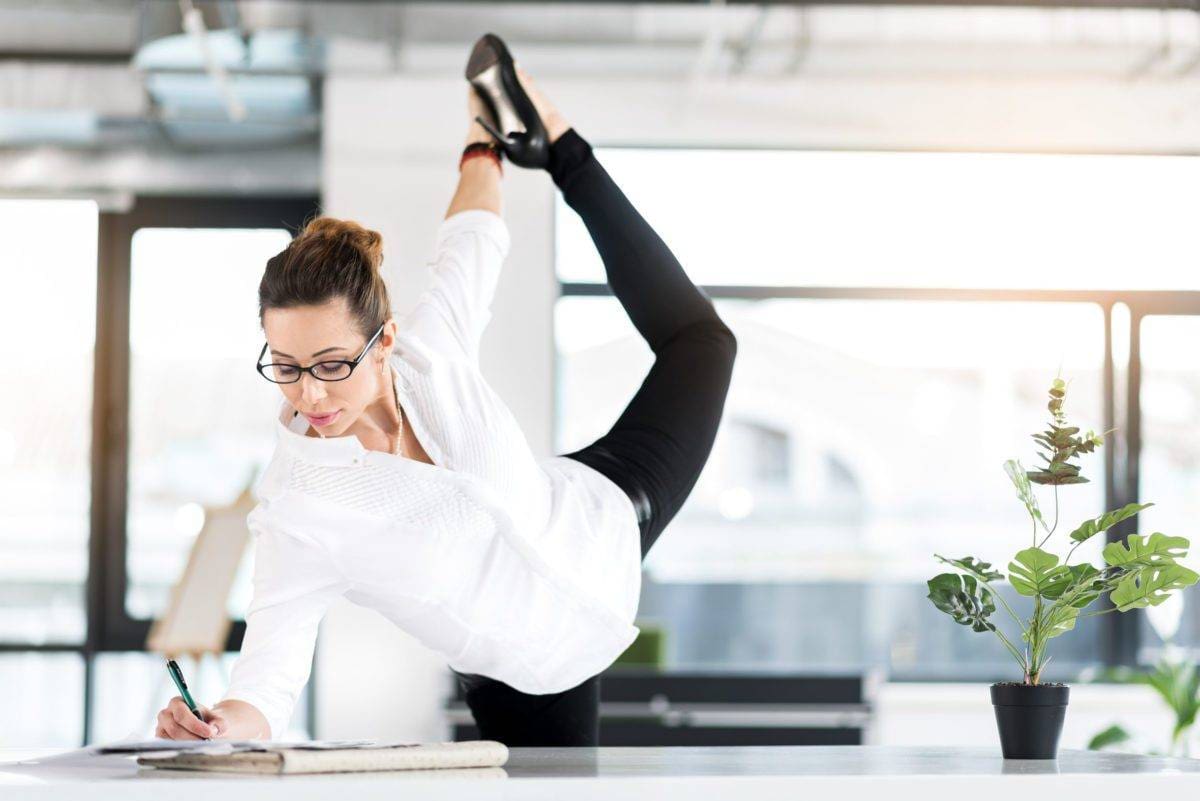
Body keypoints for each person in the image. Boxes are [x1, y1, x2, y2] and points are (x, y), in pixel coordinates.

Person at [154, 35, 736, 747]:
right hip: (530, 679)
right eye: (286, 365)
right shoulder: (298, 507)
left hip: (599, 515)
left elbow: (473, 236)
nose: (308, 393)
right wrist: (217, 726)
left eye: (332, 363)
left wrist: (483, 143)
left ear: (386, 342)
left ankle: (561, 147)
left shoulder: (430, 352)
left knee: (706, 344)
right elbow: (267, 682)